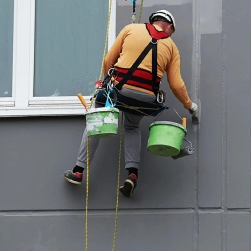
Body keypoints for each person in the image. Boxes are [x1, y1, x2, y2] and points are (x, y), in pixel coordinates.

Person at [63, 10, 199, 197]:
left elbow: (109, 60)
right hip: (146, 99)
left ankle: (78, 171)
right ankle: (132, 175)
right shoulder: (171, 47)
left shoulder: (130, 29)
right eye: (171, 31)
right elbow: (176, 84)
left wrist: (108, 83)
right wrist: (190, 106)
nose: (170, 34)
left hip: (119, 91)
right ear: (168, 25)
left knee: (97, 119)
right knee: (132, 127)